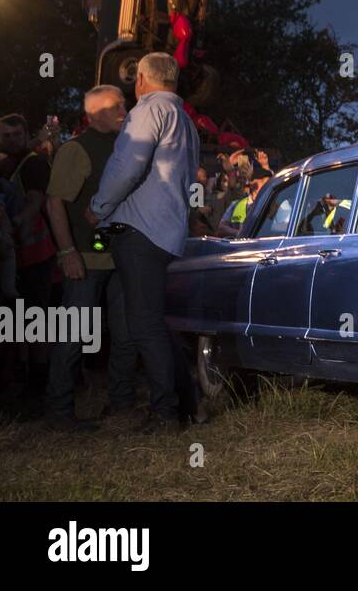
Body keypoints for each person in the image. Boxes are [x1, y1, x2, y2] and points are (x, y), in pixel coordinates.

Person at [88, 53, 201, 433]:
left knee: (145, 324)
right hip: (166, 230)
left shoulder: (148, 110)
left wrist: (99, 205)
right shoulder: (185, 121)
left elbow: (128, 165)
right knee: (146, 320)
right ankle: (184, 404)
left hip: (141, 230)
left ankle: (167, 412)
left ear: (140, 79)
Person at [43, 85, 138, 432]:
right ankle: (59, 412)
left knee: (126, 334)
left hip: (119, 259)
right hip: (84, 258)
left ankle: (122, 405)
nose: (124, 111)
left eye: (124, 105)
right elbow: (55, 203)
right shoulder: (76, 149)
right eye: (117, 107)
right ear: (95, 113)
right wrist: (67, 252)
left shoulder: (125, 148)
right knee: (72, 336)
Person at [0, 113, 58, 400]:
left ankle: (39, 379)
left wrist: (16, 222)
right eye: (5, 135)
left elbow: (36, 200)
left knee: (35, 318)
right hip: (10, 256)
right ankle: (18, 375)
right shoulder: (2, 165)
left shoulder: (33, 163)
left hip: (35, 254)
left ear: (25, 135)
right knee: (13, 319)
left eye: (16, 135)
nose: (11, 140)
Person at [216, 164, 274, 238]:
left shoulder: (273, 204)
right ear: (253, 184)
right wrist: (239, 233)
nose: (268, 186)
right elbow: (221, 228)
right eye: (264, 182)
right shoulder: (236, 205)